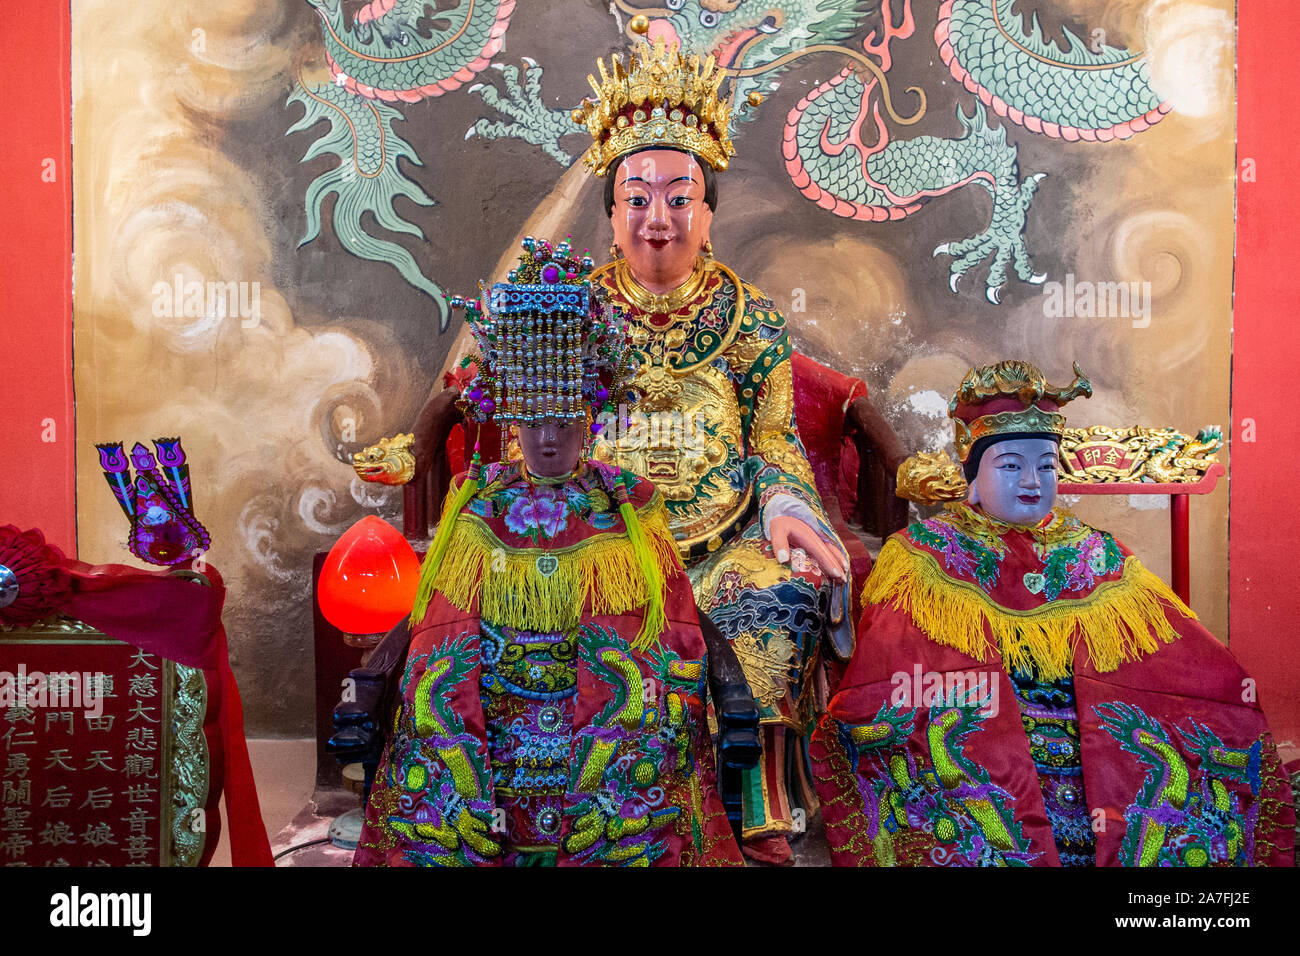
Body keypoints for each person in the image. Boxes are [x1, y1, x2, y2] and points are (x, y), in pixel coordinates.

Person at [810, 360, 1296, 866]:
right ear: (972, 476)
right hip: (988, 730)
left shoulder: (1096, 551)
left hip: (1094, 731)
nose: (1032, 480)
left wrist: (1228, 694)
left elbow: (1180, 655)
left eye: (1046, 465)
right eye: (1010, 465)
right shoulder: (925, 554)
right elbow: (892, 671)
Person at [352, 240, 744, 866]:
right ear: (511, 420)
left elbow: (668, 628)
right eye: (533, 421)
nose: (549, 440)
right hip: (492, 718)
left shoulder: (627, 503)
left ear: (592, 418)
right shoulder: (478, 501)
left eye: (564, 420)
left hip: (603, 711)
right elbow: (440, 635)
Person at [562, 26, 854, 865]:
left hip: (727, 535)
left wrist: (791, 506)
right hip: (607, 536)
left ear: (710, 213)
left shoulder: (749, 316)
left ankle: (759, 785)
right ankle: (605, 788)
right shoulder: (571, 314)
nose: (659, 219)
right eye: (638, 197)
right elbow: (538, 432)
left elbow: (774, 433)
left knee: (780, 595)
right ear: (612, 213)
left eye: (680, 196)